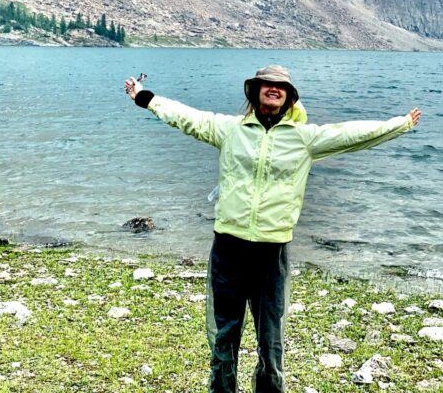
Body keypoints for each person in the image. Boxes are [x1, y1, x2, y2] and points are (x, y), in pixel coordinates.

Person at [124, 65, 421, 393]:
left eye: (280, 86)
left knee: (271, 340)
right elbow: (187, 117)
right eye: (267, 84)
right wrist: (145, 98)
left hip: (271, 251)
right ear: (255, 91)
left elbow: (351, 134)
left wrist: (400, 124)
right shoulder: (230, 130)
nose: (273, 89)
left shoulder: (305, 139)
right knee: (223, 335)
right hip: (228, 247)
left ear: (290, 97)